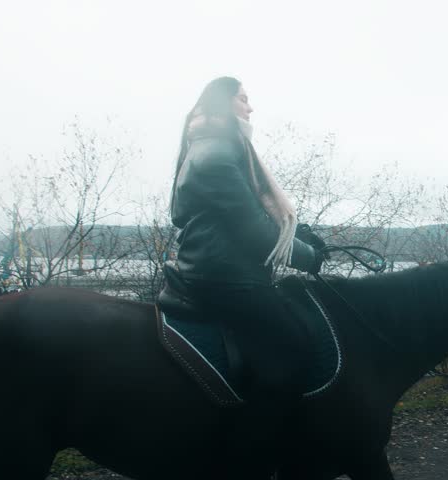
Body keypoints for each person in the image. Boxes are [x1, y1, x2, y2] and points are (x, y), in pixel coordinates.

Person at [168, 76, 325, 455]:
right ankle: (250, 454)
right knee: (295, 348)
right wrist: (309, 257)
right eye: (243, 98)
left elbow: (245, 215)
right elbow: (253, 228)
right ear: (225, 102)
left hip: (217, 267)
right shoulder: (219, 152)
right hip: (224, 276)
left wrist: (299, 237)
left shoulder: (207, 146)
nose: (250, 107)